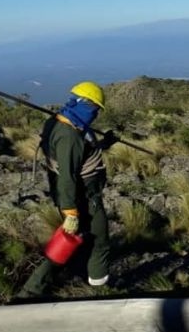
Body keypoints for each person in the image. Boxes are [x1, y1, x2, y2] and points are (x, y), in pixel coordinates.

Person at [16, 81, 119, 298]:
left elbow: (81, 152)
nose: (95, 113)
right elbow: (68, 176)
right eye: (94, 107)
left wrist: (104, 143)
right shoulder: (69, 136)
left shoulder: (62, 122)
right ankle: (99, 289)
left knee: (78, 238)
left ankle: (38, 289)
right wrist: (70, 212)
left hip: (74, 195)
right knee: (96, 240)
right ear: (81, 103)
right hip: (82, 196)